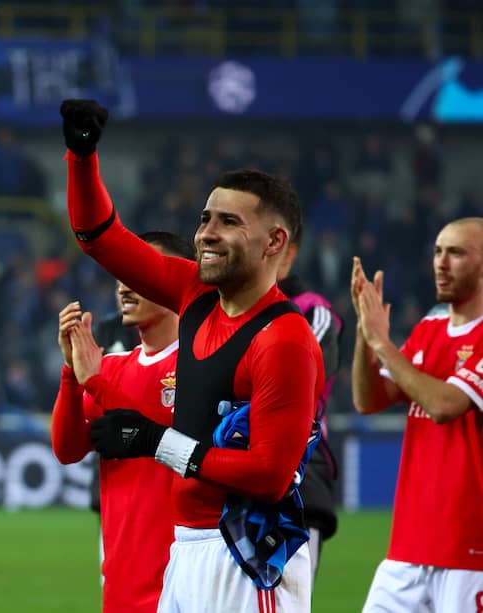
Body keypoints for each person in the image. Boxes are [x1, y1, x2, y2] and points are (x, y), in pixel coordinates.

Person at [59, 99, 324, 612]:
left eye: (228, 222)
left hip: (248, 558)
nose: (205, 233)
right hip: (185, 549)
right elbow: (100, 238)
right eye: (205, 219)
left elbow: (269, 475)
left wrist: (158, 442)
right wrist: (82, 157)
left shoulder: (285, 340)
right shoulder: (195, 294)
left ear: (274, 241)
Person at [52, 231, 193, 613]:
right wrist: (70, 372)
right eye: (120, 277)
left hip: (182, 579)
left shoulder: (197, 367)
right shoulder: (112, 367)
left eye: (139, 274)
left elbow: (151, 434)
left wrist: (94, 382)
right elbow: (67, 450)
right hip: (121, 579)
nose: (124, 288)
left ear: (176, 281)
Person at [351, 217, 483, 612]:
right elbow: (369, 399)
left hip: (468, 554)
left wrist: (382, 342)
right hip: (406, 551)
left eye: (456, 253)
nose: (441, 263)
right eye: (438, 251)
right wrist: (364, 336)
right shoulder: (429, 327)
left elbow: (444, 406)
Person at [276, 227, 344, 580]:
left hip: (302, 459)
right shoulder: (227, 305)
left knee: (289, 595)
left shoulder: (314, 310)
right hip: (238, 463)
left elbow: (304, 375)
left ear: (287, 251)